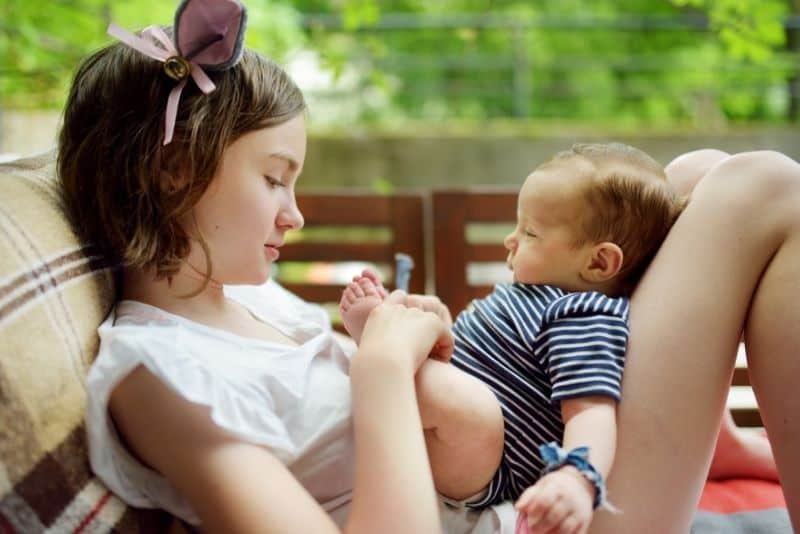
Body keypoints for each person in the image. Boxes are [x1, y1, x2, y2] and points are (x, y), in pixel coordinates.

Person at [58, 2, 800, 533]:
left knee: (702, 172)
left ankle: (733, 447)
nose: (295, 213)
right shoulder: (153, 379)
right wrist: (382, 366)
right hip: (548, 510)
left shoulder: (249, 302)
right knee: (765, 185)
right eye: (274, 178)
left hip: (526, 480)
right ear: (173, 174)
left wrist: (414, 335)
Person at [339, 143, 688, 534]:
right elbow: (490, 363)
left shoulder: (583, 313)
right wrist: (443, 331)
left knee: (469, 405)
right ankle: (393, 343)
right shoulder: (533, 293)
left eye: (530, 232)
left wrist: (575, 478)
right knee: (436, 337)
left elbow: (591, 410)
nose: (511, 240)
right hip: (458, 425)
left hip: (488, 459)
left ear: (598, 262)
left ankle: (382, 347)